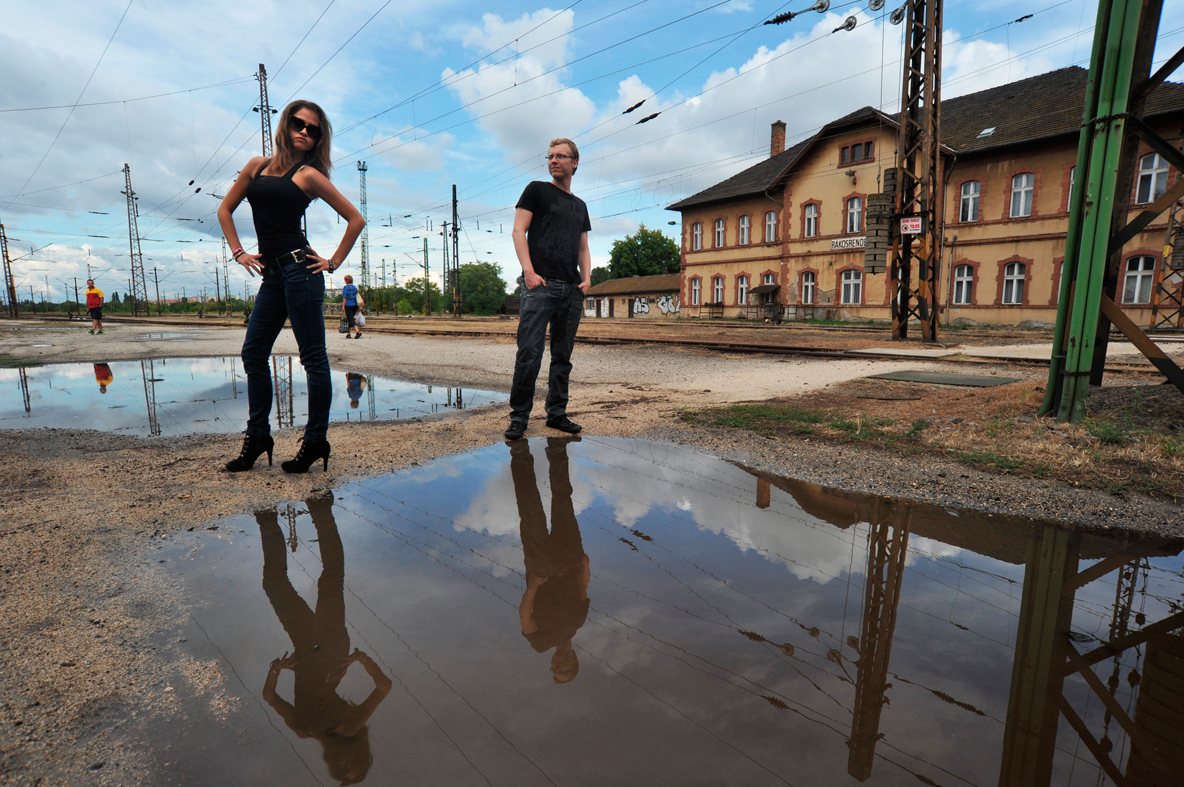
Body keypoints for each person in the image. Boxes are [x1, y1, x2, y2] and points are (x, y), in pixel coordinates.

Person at [217, 99, 365, 474]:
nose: (305, 132)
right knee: (253, 354)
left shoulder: (309, 176)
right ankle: (258, 436)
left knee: (313, 359)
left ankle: (315, 441)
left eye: (314, 130)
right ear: (285, 124)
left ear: (318, 140)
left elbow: (355, 219)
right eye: (299, 124)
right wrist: (238, 253)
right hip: (271, 276)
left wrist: (332, 263)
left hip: (302, 273)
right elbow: (224, 210)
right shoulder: (256, 166)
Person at [258, 494, 391, 785]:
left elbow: (270, 697)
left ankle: (281, 514)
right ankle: (306, 511)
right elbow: (385, 686)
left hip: (311, 650)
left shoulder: (304, 729)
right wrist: (360, 658)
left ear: (331, 764)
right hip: (326, 650)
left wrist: (276, 669)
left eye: (340, 768)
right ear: (358, 754)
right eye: (351, 764)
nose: (343, 761)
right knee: (320, 580)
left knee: (286, 583)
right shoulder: (347, 726)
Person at [505, 138, 592, 441]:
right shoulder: (536, 190)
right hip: (540, 285)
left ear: (574, 163)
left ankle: (557, 414)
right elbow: (518, 230)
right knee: (529, 353)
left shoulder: (580, 206)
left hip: (571, 289)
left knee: (562, 357)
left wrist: (587, 279)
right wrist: (528, 271)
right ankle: (519, 418)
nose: (554, 160)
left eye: (561, 156)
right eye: (550, 156)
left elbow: (583, 246)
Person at [511, 437, 590, 684]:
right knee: (563, 500)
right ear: (574, 661)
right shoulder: (578, 623)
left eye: (556, 670)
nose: (559, 666)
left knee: (530, 508)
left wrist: (533, 587)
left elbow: (525, 616)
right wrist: (586, 566)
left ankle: (519, 452)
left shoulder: (540, 643)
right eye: (565, 669)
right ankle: (558, 447)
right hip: (571, 559)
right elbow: (581, 590)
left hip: (541, 568)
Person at [341, 275, 361, 339]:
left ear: (346, 281)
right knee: (350, 318)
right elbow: (357, 297)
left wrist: (343, 306)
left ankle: (357, 331)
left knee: (350, 319)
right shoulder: (354, 287)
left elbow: (345, 297)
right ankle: (349, 333)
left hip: (348, 305)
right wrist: (358, 307)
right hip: (355, 305)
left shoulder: (346, 288)